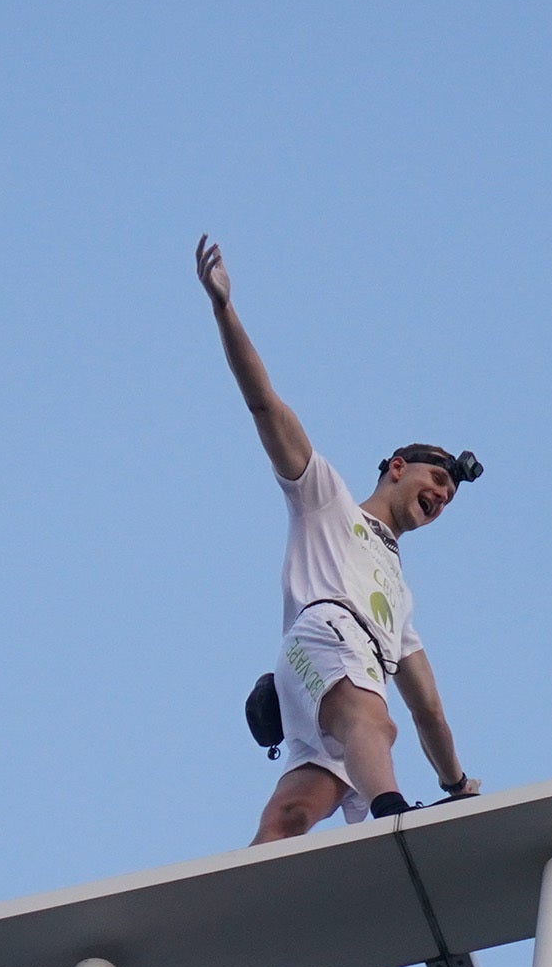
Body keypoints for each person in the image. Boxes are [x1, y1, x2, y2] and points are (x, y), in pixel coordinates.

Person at [196, 236, 483, 843]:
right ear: (397, 467)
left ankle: (248, 893)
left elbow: (429, 709)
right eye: (436, 480)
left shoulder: (400, 599)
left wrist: (456, 783)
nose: (441, 497)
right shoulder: (327, 500)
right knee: (372, 720)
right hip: (324, 638)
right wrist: (224, 309)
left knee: (294, 813)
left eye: (448, 499)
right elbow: (264, 406)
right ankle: (393, 822)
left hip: (337, 673)